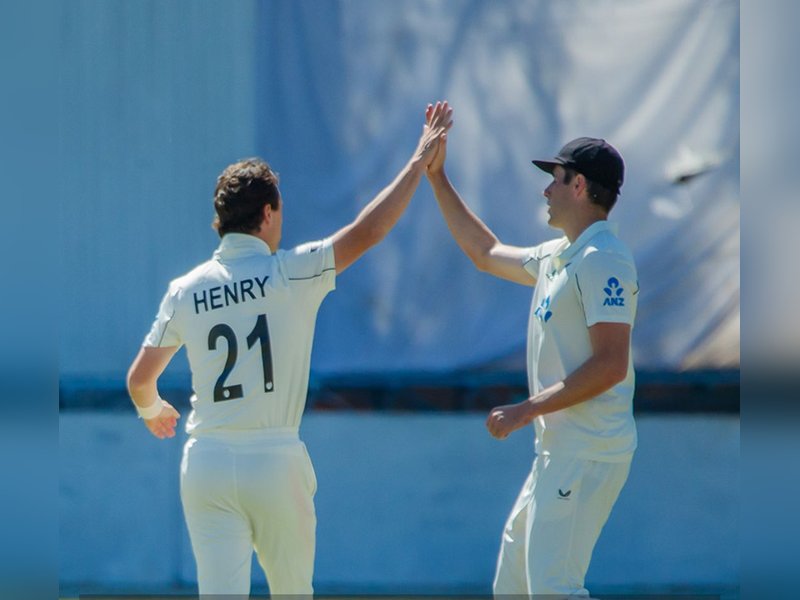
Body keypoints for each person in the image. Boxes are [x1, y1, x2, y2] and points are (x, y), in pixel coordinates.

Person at [125, 101, 453, 597]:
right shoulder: (291, 273)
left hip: (207, 461)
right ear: (268, 213)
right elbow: (368, 231)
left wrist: (151, 411)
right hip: (275, 460)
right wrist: (417, 161)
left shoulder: (184, 289)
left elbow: (138, 381)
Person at [425, 111, 637, 597]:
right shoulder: (557, 255)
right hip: (557, 452)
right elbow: (484, 251)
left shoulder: (603, 258)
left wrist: (528, 409)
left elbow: (611, 364)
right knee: (514, 587)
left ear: (579, 185)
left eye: (555, 180)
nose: (546, 190)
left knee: (553, 589)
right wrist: (437, 179)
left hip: (587, 451)